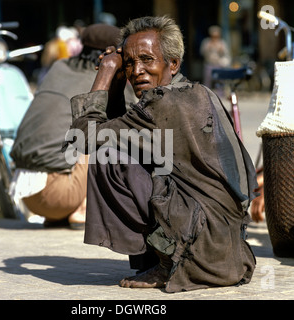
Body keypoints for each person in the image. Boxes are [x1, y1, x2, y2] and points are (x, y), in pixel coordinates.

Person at [67, 16, 258, 292]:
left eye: (147, 59)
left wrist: (106, 74)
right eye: (129, 63)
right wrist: (118, 87)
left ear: (173, 64)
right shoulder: (196, 92)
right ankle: (162, 255)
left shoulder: (162, 103)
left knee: (107, 159)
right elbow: (120, 132)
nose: (136, 71)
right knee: (125, 152)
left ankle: (169, 262)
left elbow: (82, 138)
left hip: (202, 250)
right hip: (228, 249)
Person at [9, 23, 136, 229]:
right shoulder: (104, 77)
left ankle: (64, 212)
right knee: (113, 137)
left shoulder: (59, 67)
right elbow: (133, 121)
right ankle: (83, 209)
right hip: (61, 192)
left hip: (26, 194)